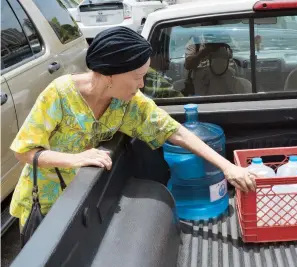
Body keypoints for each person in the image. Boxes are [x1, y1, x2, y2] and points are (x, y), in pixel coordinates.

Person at [9, 26, 256, 230]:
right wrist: (75, 160)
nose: (141, 84)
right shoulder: (59, 94)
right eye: (137, 76)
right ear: (110, 75)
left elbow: (176, 132)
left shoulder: (127, 103)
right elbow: (24, 151)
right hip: (44, 206)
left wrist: (228, 168)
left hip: (84, 200)